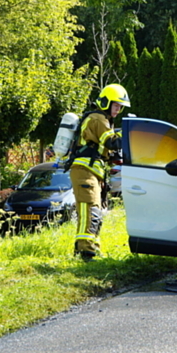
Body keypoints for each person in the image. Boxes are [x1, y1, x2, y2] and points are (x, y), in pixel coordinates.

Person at [69, 83, 130, 261]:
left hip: (92, 172)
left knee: (95, 211)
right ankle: (85, 252)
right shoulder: (98, 119)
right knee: (89, 210)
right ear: (106, 102)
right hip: (84, 171)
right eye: (116, 105)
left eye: (120, 107)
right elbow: (111, 142)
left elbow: (108, 150)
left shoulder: (104, 121)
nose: (118, 110)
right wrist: (129, 132)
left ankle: (91, 247)